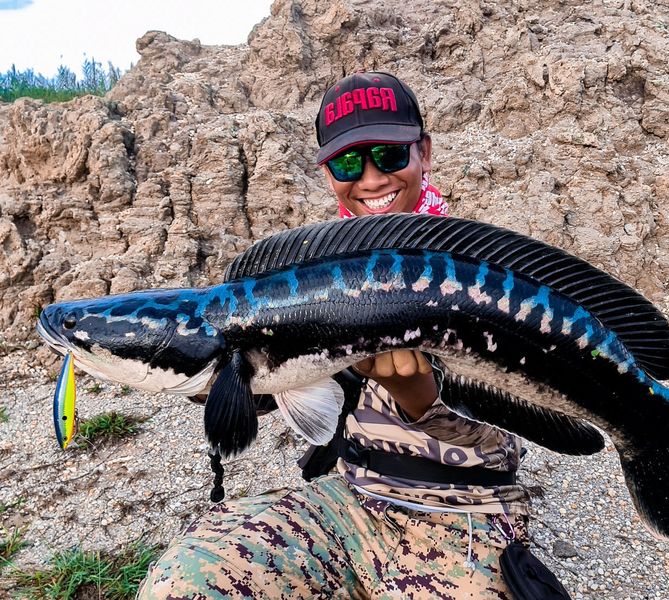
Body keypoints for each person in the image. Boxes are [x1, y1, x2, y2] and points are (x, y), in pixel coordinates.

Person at [139, 72, 561, 599]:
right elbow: (279, 394)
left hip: (466, 510)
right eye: (346, 162)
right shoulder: (309, 274)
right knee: (183, 585)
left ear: (423, 153)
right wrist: (191, 370)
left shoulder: (487, 271)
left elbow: (524, 413)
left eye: (388, 155)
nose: (370, 179)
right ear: (326, 172)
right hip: (353, 499)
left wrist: (420, 401)